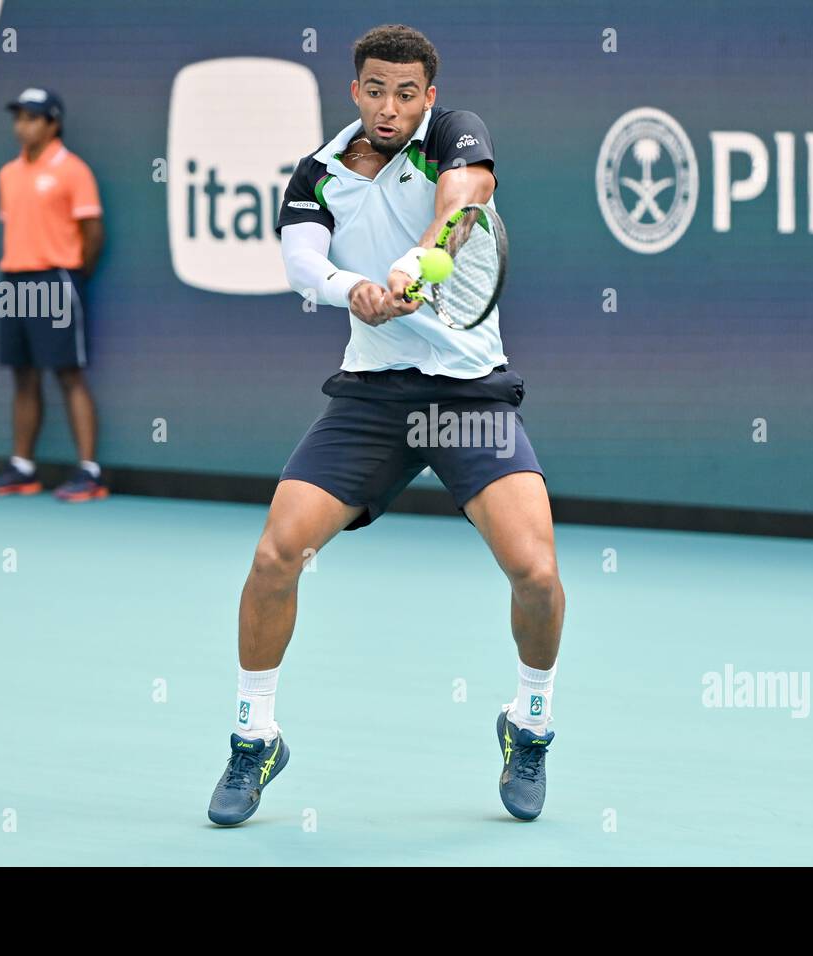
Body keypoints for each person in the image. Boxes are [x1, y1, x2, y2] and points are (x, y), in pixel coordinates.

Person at [207, 24, 565, 825]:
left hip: (468, 398)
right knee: (276, 555)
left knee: (535, 572)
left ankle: (530, 722)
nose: (390, 106)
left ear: (428, 96)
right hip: (372, 398)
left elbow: (460, 209)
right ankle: (253, 735)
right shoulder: (319, 172)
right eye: (375, 89)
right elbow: (303, 262)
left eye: (407, 93)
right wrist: (352, 290)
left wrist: (408, 268)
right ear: (354, 91)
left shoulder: (456, 136)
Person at [0, 87, 108, 502]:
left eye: (32, 118)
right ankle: (22, 468)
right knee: (22, 374)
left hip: (57, 279)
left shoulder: (73, 170)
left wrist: (70, 274)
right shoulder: (7, 174)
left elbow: (92, 233)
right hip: (14, 279)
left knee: (69, 373)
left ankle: (89, 471)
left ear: (53, 124)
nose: (22, 126)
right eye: (18, 118)